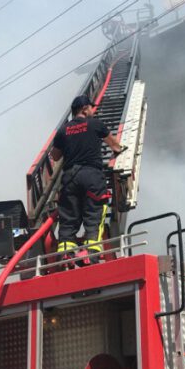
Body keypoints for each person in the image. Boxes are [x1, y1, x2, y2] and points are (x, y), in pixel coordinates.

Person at [50, 95, 125, 265]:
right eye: (91, 107)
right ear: (84, 109)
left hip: (70, 178)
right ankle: (91, 253)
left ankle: (65, 254)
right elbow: (115, 146)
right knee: (94, 214)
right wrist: (119, 150)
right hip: (91, 175)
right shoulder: (95, 124)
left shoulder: (63, 130)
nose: (93, 110)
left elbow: (55, 156)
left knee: (68, 217)